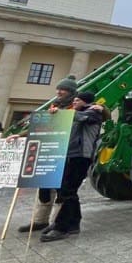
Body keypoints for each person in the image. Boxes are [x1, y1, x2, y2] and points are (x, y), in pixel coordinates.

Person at [41, 90, 103, 242]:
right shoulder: (79, 113)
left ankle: (62, 227)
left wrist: (60, 113)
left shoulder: (93, 113)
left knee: (67, 190)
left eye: (77, 100)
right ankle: (74, 223)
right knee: (67, 190)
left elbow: (81, 118)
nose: (74, 102)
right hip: (70, 155)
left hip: (81, 157)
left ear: (85, 101)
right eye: (74, 100)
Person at [17, 77, 77, 233]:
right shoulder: (53, 107)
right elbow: (42, 127)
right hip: (49, 151)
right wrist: (20, 135)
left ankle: (56, 222)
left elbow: (99, 112)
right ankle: (40, 220)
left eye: (62, 89)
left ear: (70, 92)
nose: (58, 92)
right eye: (58, 89)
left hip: (65, 152)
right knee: (44, 187)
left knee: (61, 189)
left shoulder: (76, 108)